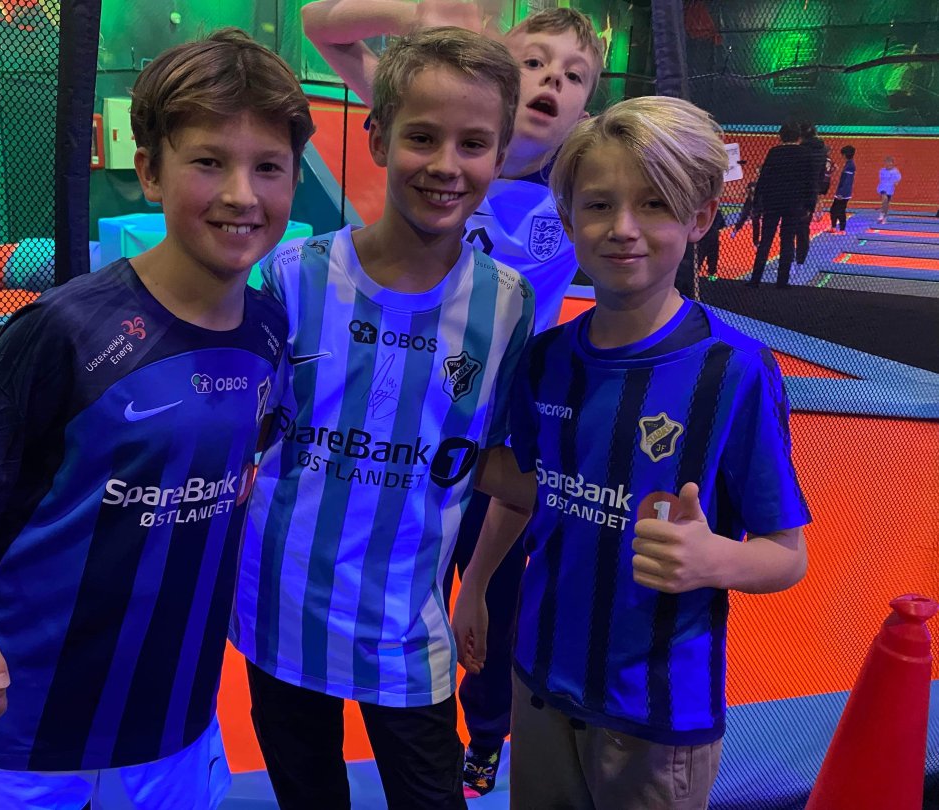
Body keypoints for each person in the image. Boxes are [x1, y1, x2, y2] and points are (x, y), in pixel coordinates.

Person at [0, 29, 314, 809]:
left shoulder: (270, 329)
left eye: (268, 167)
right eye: (209, 162)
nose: (242, 193)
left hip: (175, 718)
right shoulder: (65, 330)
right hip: (28, 718)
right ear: (150, 171)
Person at [454, 95, 811, 810]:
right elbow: (530, 488)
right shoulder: (546, 359)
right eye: (598, 205)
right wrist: (476, 585)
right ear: (568, 221)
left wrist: (714, 560)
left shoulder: (733, 372)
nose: (622, 228)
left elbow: (787, 554)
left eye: (653, 204)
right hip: (539, 685)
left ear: (699, 218)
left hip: (656, 721)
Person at [302, 3, 605, 794]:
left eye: (573, 76)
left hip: (495, 409)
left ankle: (489, 727)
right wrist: (411, 16)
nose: (551, 81)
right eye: (533, 62)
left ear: (584, 106)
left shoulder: (579, 168)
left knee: (491, 587)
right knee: (404, 562)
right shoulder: (441, 118)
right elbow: (319, 27)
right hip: (402, 393)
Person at [230, 28, 534, 810]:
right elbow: (245, 428)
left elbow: (502, 463)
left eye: (473, 143)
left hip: (405, 626)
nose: (446, 164)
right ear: (377, 138)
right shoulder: (294, 275)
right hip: (281, 611)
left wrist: (481, 580)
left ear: (500, 157)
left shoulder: (506, 306)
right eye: (422, 137)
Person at [747, 122, 816, 288]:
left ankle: (755, 279)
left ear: (781, 136)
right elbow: (811, 182)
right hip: (794, 203)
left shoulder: (775, 152)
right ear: (799, 137)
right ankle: (782, 281)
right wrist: (810, 206)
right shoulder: (806, 154)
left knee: (766, 240)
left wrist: (756, 203)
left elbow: (763, 179)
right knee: (787, 240)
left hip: (773, 202)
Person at [794, 121, 828, 264]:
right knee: (803, 228)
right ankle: (800, 260)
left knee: (790, 228)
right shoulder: (822, 150)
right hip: (812, 192)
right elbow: (821, 173)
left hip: (798, 193)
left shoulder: (801, 150)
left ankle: (790, 260)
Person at [829, 145, 856, 234]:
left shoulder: (849, 166)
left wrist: (841, 193)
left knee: (837, 210)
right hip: (844, 191)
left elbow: (847, 181)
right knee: (837, 209)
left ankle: (841, 229)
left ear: (844, 155)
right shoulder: (849, 164)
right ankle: (836, 228)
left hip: (843, 193)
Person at [695, 208, 726, 281]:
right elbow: (721, 225)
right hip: (712, 237)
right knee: (712, 259)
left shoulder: (701, 211)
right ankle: (711, 277)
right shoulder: (716, 212)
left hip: (704, 237)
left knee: (701, 258)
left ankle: (697, 276)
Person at [877, 155, 902, 224]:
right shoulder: (882, 171)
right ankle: (882, 215)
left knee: (886, 203)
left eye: (890, 163)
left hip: (890, 189)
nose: (888, 165)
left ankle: (884, 215)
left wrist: (896, 181)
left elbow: (898, 178)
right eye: (887, 163)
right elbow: (882, 179)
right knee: (884, 199)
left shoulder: (895, 171)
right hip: (883, 188)